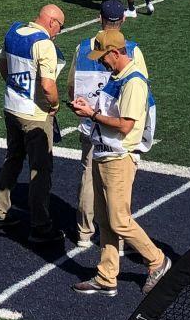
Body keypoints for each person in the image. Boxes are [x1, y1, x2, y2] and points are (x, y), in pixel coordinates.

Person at [70, 29, 168, 297]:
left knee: (119, 220)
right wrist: (89, 110)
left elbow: (126, 125)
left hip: (118, 157)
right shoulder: (117, 77)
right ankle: (106, 275)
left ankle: (158, 261)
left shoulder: (134, 82)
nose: (100, 61)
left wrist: (92, 115)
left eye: (103, 56)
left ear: (115, 52)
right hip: (104, 153)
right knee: (105, 219)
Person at [0, 4, 66, 243]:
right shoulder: (44, 45)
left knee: (12, 158)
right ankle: (41, 225)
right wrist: (54, 105)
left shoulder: (13, 32)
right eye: (60, 27)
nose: (58, 32)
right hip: (34, 115)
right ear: (52, 22)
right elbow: (47, 86)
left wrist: (17, 90)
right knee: (40, 170)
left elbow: (2, 67)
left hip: (11, 107)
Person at [72, 0, 144, 244]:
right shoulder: (131, 50)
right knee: (119, 188)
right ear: (122, 20)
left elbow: (72, 86)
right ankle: (119, 239)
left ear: (99, 18)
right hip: (116, 131)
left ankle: (84, 231)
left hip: (89, 124)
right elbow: (142, 90)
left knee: (88, 176)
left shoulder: (82, 48)